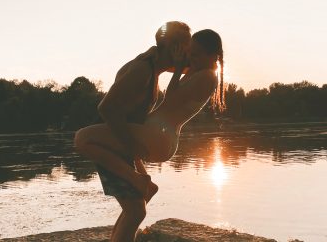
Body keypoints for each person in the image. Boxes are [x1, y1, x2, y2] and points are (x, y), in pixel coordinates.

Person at [75, 28, 225, 241]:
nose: (191, 58)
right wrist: (158, 54)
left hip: (158, 136)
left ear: (214, 55)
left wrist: (179, 66)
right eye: (190, 52)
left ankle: (138, 179)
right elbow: (164, 60)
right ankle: (142, 182)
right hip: (156, 134)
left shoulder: (207, 76)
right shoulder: (199, 68)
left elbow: (171, 97)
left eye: (196, 54)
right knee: (133, 210)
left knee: (83, 138)